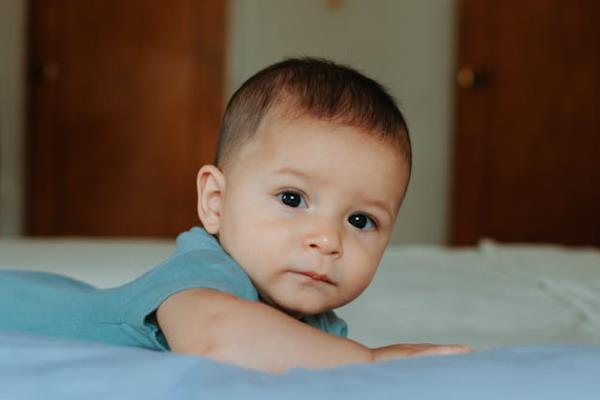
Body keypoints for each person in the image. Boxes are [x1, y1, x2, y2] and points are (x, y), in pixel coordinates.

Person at [0, 58, 468, 373]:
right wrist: (369, 362)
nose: (328, 240)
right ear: (215, 202)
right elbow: (218, 338)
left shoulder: (321, 328)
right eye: (292, 199)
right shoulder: (206, 273)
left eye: (360, 221)